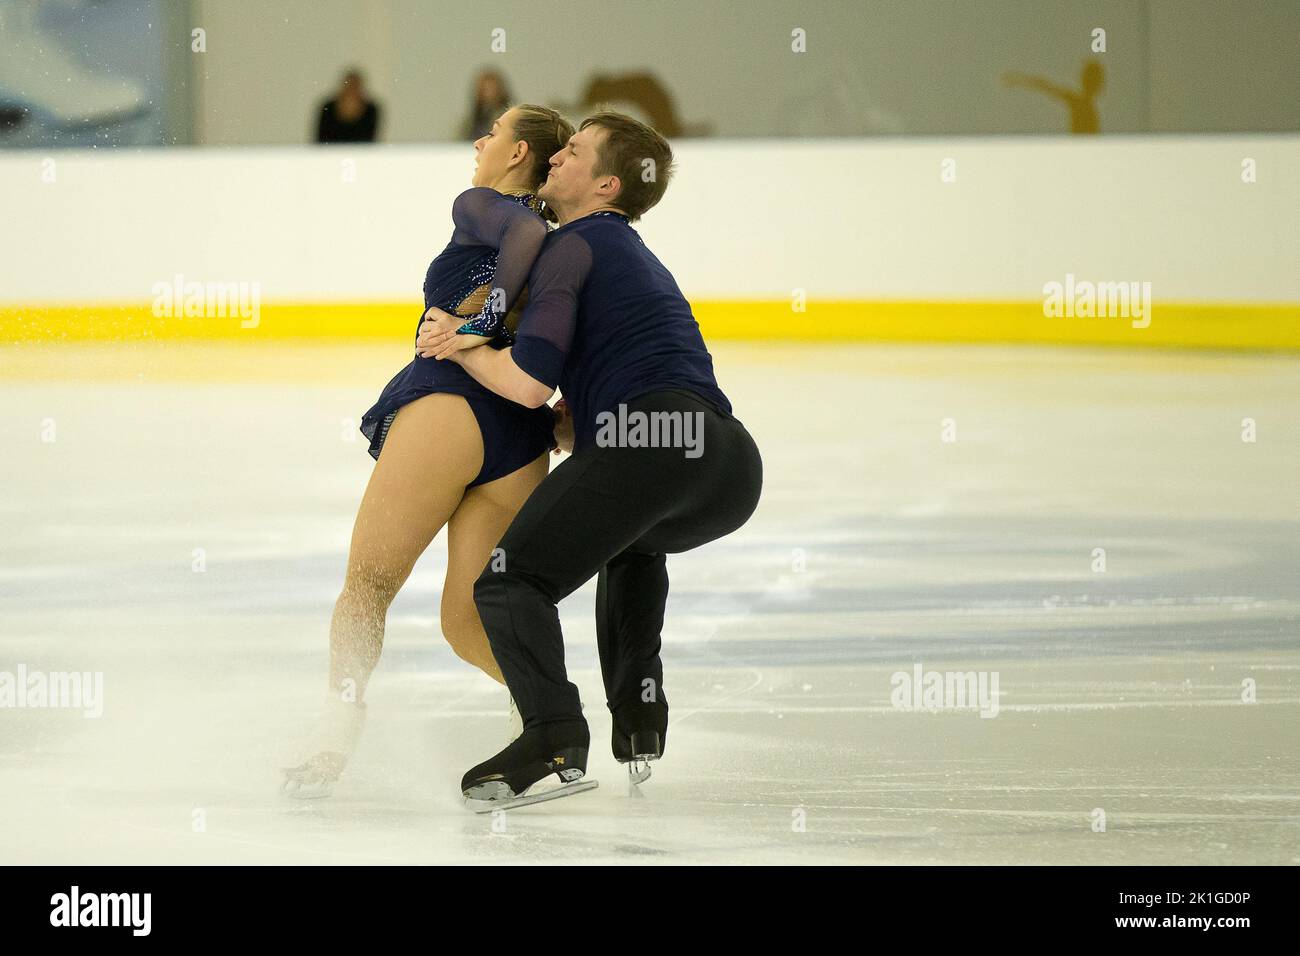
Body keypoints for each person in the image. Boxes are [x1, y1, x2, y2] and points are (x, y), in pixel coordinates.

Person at [417, 112, 764, 810]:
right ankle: (640, 718)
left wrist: (465, 343)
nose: (556, 160)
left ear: (606, 183)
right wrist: (588, 419)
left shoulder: (571, 246)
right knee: (631, 544)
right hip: (726, 464)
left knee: (509, 583)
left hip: (656, 436)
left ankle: (551, 737)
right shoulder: (622, 249)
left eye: (572, 152)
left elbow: (528, 382)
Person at [282, 104, 577, 799]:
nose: (480, 140)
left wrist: (476, 318)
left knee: (368, 585)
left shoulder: (482, 204)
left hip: (452, 405)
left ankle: (334, 731)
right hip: (519, 436)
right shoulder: (569, 243)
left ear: (518, 154)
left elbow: (524, 229)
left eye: (494, 132)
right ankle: (551, 724)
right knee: (468, 620)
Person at [316, 69, 381, 143]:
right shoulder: (328, 107)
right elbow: (321, 139)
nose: (351, 89)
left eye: (355, 86)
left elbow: (370, 139)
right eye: (349, 85)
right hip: (330, 153)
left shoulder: (370, 109)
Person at [461, 69, 511, 141]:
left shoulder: (508, 117)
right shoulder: (471, 120)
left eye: (491, 89)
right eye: (484, 89)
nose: (488, 94)